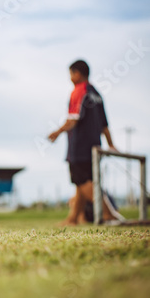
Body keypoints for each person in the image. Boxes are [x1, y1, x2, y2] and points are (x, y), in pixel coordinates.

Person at [48, 60, 119, 226]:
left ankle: (108, 214)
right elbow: (104, 125)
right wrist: (110, 144)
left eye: (71, 74)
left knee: (82, 181)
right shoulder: (96, 94)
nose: (70, 78)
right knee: (83, 181)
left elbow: (72, 120)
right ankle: (72, 219)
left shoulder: (79, 91)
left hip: (79, 146)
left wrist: (57, 132)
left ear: (77, 73)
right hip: (95, 145)